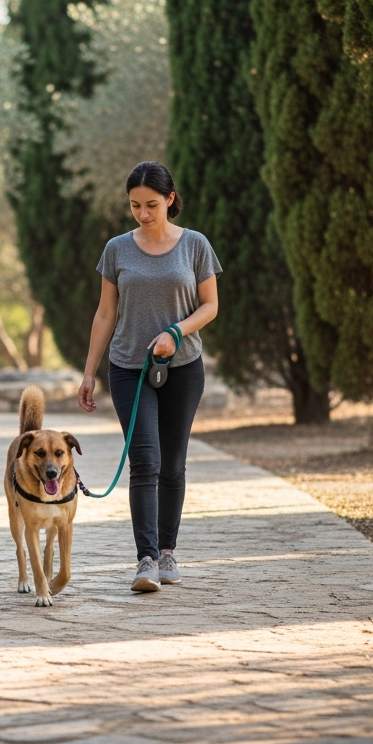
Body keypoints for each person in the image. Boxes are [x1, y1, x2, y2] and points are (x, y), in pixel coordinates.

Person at [77, 161, 221, 592]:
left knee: (172, 465)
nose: (143, 213)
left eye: (151, 205)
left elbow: (210, 305)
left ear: (170, 200)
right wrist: (88, 372)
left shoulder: (194, 245)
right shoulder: (117, 249)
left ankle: (169, 553)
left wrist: (177, 332)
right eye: (135, 205)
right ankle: (146, 560)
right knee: (145, 462)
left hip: (182, 368)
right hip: (128, 369)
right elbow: (106, 313)